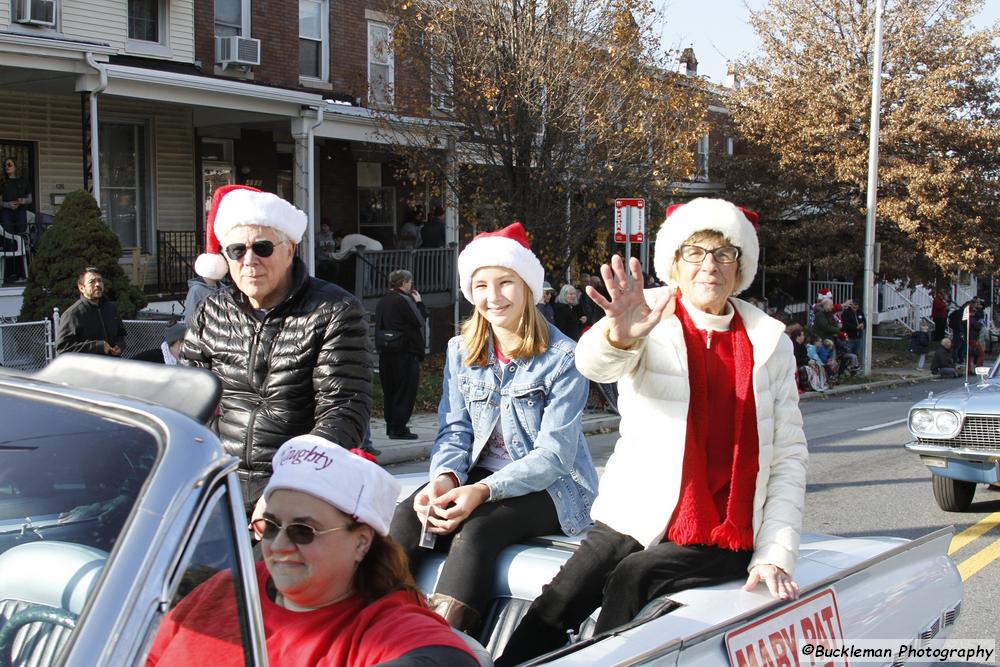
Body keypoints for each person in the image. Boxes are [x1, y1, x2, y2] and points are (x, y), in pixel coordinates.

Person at [497, 198, 808, 666]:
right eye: (695, 252)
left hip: (723, 529)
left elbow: (788, 455)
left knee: (634, 577)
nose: (710, 266)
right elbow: (595, 365)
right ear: (675, 264)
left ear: (741, 266)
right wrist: (619, 335)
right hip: (638, 510)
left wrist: (775, 551)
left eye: (724, 253)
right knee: (562, 597)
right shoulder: (650, 316)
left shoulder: (769, 341)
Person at [389, 222, 599, 636]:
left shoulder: (565, 357)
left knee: (479, 530)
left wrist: (481, 491)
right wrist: (445, 478)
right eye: (481, 285)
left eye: (505, 283)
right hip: (478, 477)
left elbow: (554, 456)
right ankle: (377, 628)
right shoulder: (461, 350)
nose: (493, 296)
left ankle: (442, 649)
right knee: (409, 514)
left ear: (528, 288)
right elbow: (454, 430)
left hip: (555, 487)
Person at [147, 435, 478, 666]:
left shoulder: (383, 623)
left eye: (303, 531)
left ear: (361, 542)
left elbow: (447, 658)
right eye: (271, 526)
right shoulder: (226, 589)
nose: (278, 546)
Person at [181, 185, 371, 512]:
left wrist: (289, 484)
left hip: (298, 485)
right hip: (218, 481)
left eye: (263, 247)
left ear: (290, 249)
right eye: (237, 250)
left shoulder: (336, 310)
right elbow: (187, 402)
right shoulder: (210, 312)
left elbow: (344, 411)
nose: (249, 261)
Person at [375, 269, 428, 440]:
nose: (411, 285)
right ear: (404, 283)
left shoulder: (382, 301)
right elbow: (419, 320)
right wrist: (419, 302)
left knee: (389, 391)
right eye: (410, 282)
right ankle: (399, 428)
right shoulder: (404, 300)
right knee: (405, 391)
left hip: (386, 351)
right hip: (405, 351)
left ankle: (391, 426)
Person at [56, 267, 126, 356]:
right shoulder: (73, 314)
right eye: (92, 282)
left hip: (113, 365)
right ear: (81, 287)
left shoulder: (111, 308)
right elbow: (63, 347)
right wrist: (97, 347)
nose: (97, 284)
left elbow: (121, 335)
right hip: (88, 368)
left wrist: (120, 346)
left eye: (99, 281)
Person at [1, 157, 32, 282]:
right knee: (9, 241)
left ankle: (22, 274)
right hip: (6, 214)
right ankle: (9, 274)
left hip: (20, 213)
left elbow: (30, 199)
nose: (7, 167)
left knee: (21, 239)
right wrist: (8, 205)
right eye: (5, 165)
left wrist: (22, 201)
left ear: (15, 166)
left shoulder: (24, 181)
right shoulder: (2, 182)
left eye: (9, 165)